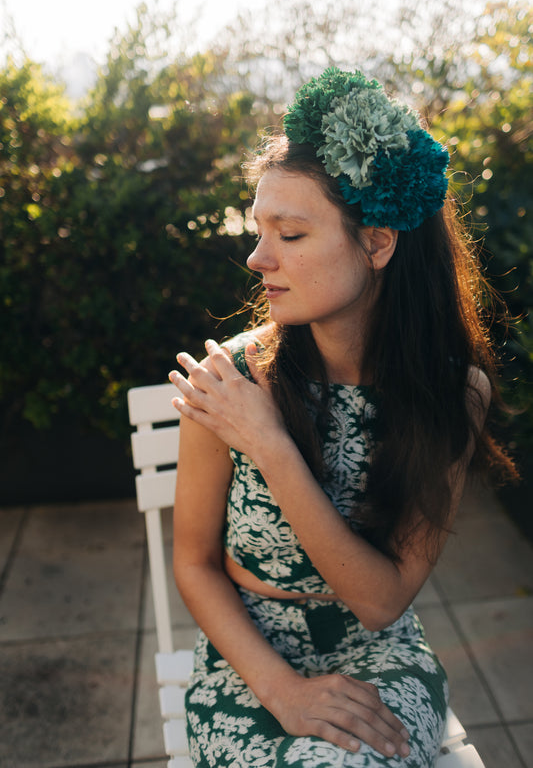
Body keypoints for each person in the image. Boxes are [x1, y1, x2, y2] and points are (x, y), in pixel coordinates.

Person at [168, 67, 515, 767]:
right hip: (249, 657)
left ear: (377, 243)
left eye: (290, 234)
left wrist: (270, 446)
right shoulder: (230, 380)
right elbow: (195, 561)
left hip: (378, 651)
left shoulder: (451, 393)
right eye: (258, 228)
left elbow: (380, 601)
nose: (256, 256)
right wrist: (281, 689)